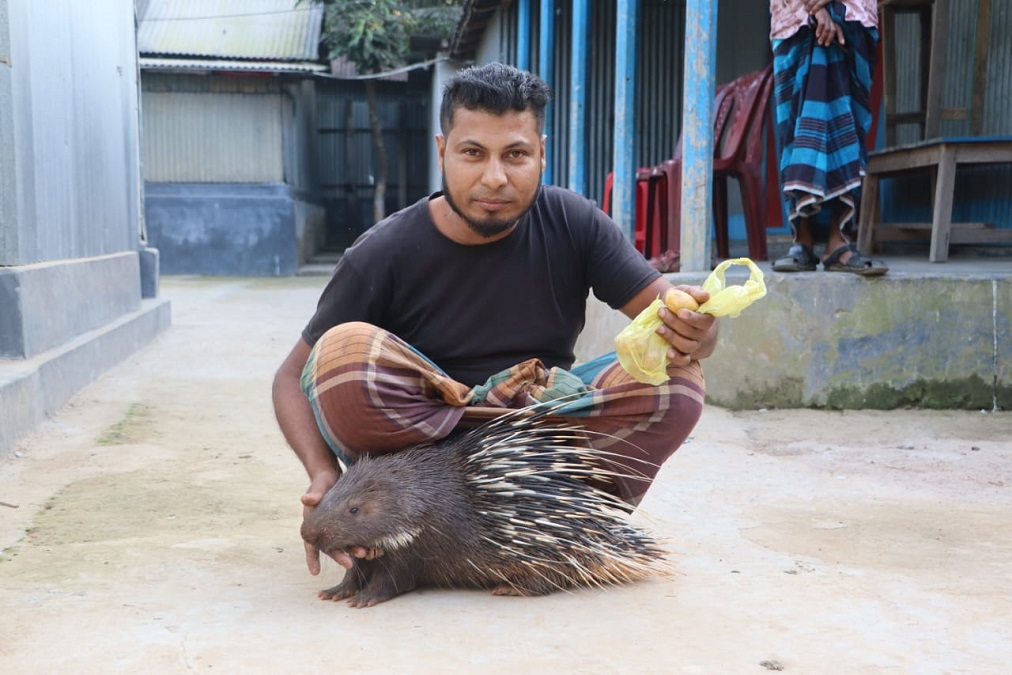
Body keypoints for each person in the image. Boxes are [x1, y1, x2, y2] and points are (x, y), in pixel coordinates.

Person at [272, 63, 719, 576]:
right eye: (472, 153)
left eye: (515, 154)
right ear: (442, 151)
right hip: (422, 464)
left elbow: (680, 323)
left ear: (541, 154)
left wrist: (699, 331)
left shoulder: (575, 221)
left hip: (530, 453)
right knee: (341, 359)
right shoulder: (382, 251)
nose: (494, 177)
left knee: (677, 380)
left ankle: (559, 538)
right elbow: (291, 378)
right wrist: (322, 474)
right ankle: (418, 537)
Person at [769, 0, 888, 275]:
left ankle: (839, 241)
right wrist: (816, 8)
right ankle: (802, 240)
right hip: (795, 18)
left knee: (848, 126)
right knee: (797, 131)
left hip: (853, 14)